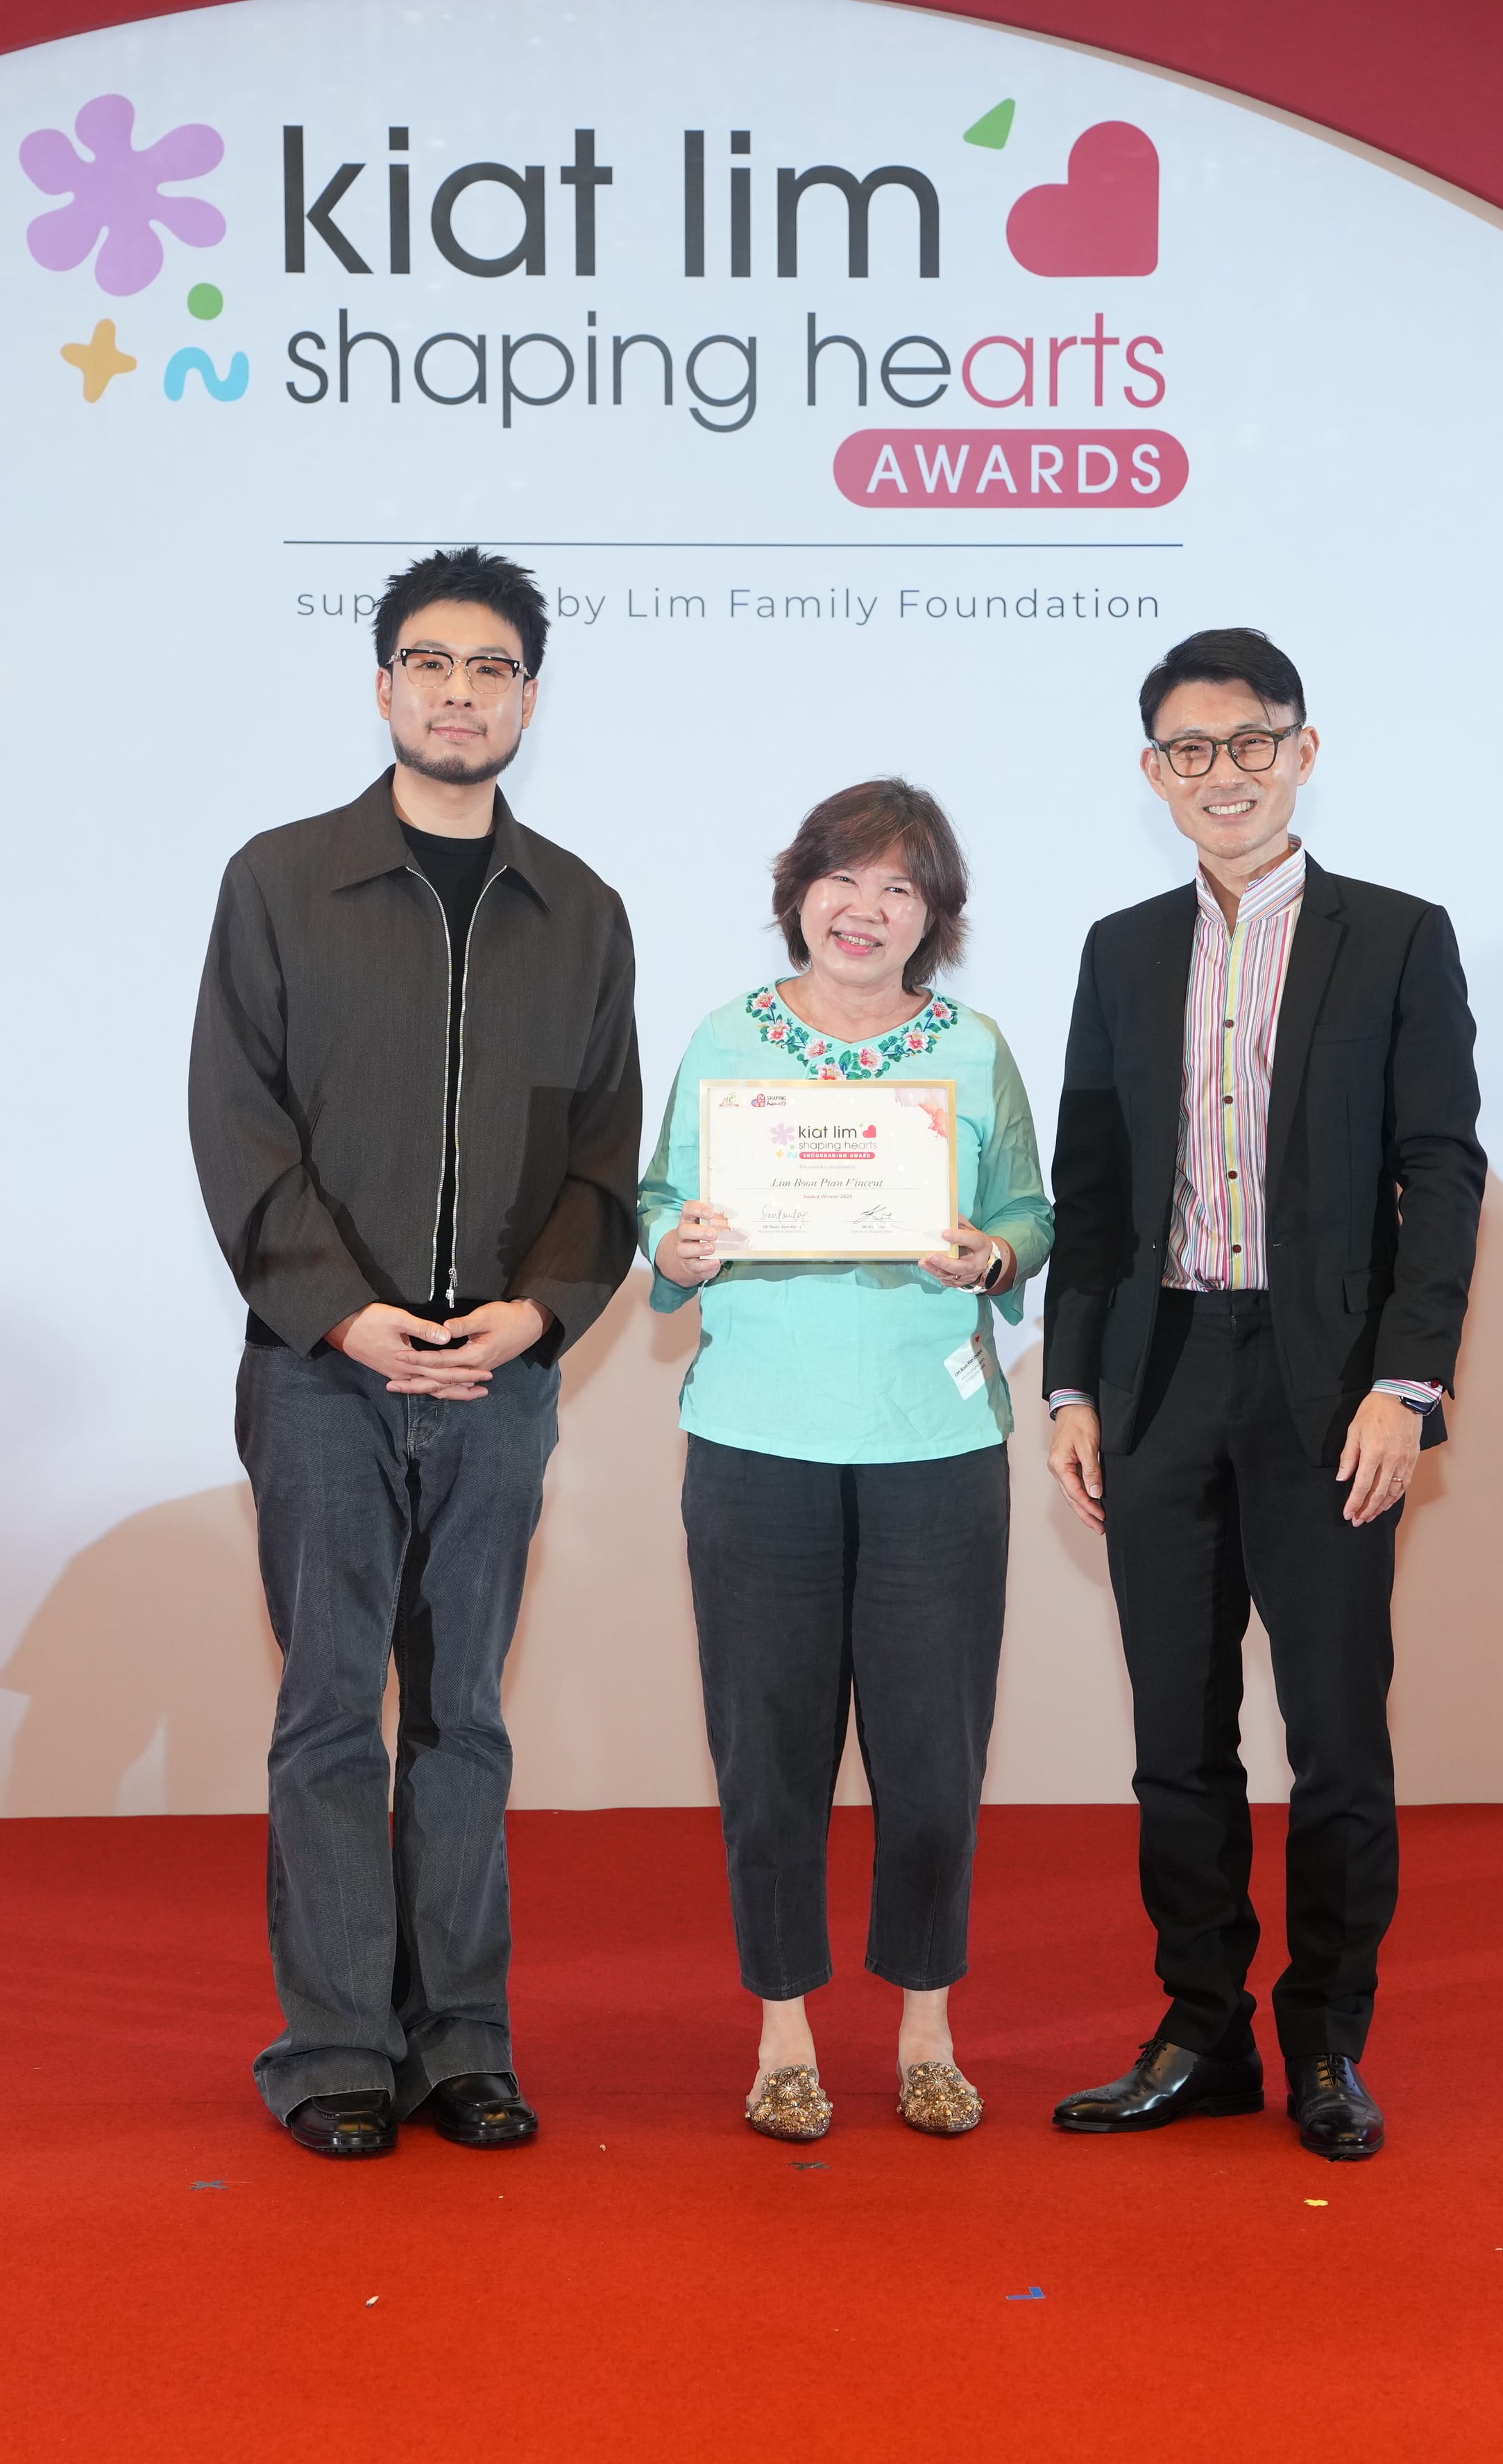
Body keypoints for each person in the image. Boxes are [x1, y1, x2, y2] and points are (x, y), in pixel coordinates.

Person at [189, 546, 642, 2159]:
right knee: (329, 1710)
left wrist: (536, 1316)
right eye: (432, 665)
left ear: (531, 696)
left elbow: (606, 1157)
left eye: (494, 668)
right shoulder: (280, 882)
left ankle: (461, 2038)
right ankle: (331, 2048)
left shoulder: (580, 911)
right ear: (383, 684)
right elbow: (238, 1128)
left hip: (499, 1382)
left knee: (465, 1716)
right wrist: (342, 1309)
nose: (463, 693)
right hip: (322, 1369)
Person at [1039, 627, 1486, 2164]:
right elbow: (1090, 1191)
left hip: (1328, 1392)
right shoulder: (1120, 947)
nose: (1220, 775)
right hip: (1159, 1374)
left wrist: (1405, 1386)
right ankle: (1200, 2029)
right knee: (1177, 1735)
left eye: (1249, 743)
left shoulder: (1400, 937)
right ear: (1152, 772)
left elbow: (1443, 1171)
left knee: (1338, 1740)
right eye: (1188, 751)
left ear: (1304, 750)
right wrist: (1072, 1388)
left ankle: (1327, 2041)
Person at [637, 781, 1054, 2143]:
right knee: (770, 1754)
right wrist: (677, 1247)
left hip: (933, 1441)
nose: (866, 911)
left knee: (934, 1755)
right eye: (844, 879)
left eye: (901, 890)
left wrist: (996, 1256)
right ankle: (782, 2035)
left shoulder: (972, 1047)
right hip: (757, 1436)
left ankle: (928, 2027)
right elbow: (657, 1197)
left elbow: (1028, 1214)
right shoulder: (725, 1039)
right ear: (797, 889)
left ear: (932, 918)